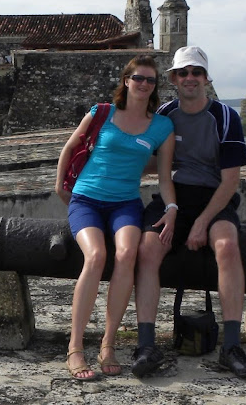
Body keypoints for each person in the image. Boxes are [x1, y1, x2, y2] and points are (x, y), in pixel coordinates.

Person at [131, 46, 246, 379]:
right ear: (173, 78)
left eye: (196, 73)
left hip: (213, 199)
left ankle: (231, 345)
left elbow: (230, 182)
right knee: (147, 250)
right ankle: (145, 343)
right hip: (174, 195)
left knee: (227, 247)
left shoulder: (226, 117)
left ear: (206, 78)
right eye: (183, 73)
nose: (190, 78)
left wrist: (201, 223)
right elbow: (157, 165)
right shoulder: (165, 116)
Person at [55, 55, 176, 380]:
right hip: (87, 199)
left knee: (127, 255)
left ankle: (108, 344)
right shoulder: (102, 113)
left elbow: (164, 176)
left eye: (150, 80)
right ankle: (76, 347)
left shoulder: (162, 127)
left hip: (125, 203)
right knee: (96, 256)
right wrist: (60, 186)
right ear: (126, 81)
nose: (144, 84)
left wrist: (172, 210)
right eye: (139, 78)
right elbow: (70, 147)